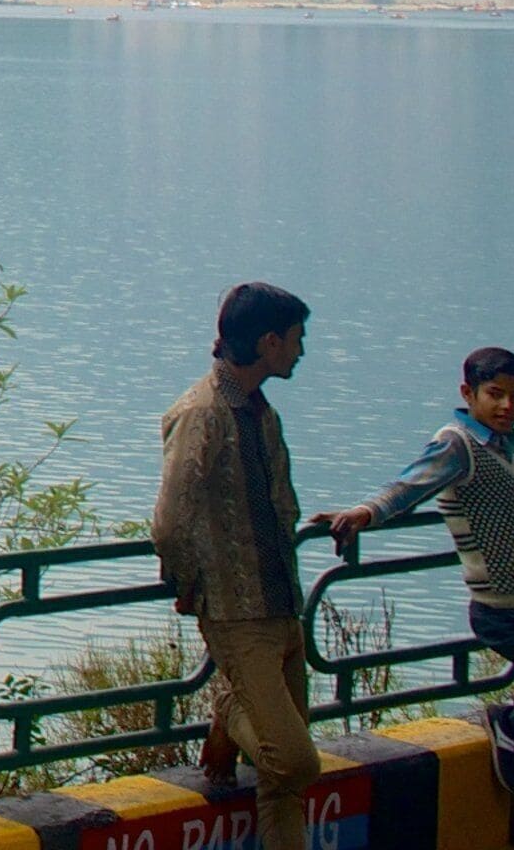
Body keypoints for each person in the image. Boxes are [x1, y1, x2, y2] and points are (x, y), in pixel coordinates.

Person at [329, 347, 514, 840]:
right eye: (496, 395)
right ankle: (512, 724)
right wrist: (366, 512)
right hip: (509, 617)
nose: (508, 405)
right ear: (468, 394)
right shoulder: (458, 443)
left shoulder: (502, 444)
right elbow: (410, 484)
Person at [154, 282, 339, 850]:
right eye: (296, 339)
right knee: (297, 761)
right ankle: (231, 709)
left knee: (283, 787)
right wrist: (186, 583)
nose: (301, 352)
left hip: (283, 604)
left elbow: (282, 508)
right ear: (268, 341)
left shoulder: (261, 412)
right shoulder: (202, 414)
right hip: (237, 613)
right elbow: (169, 521)